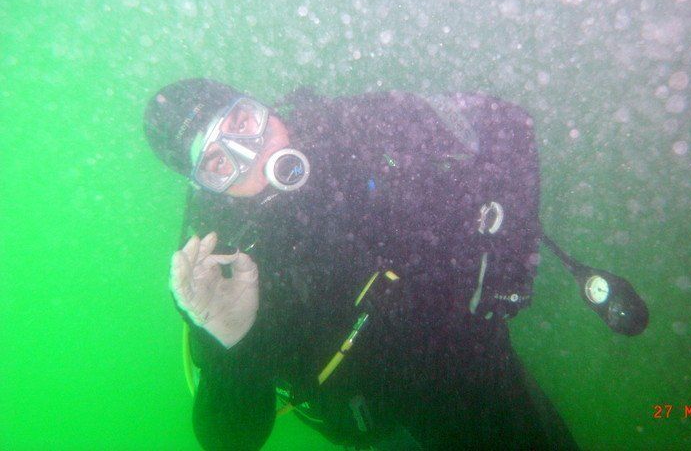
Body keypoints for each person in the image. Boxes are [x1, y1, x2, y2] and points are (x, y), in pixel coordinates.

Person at [144, 79, 579, 450]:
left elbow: (505, 121)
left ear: (262, 106)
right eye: (219, 162)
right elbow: (230, 439)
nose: (251, 154)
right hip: (387, 420)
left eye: (241, 123)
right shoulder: (217, 266)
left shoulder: (353, 126)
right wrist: (233, 347)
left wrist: (510, 259)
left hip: (473, 350)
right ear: (207, 187)